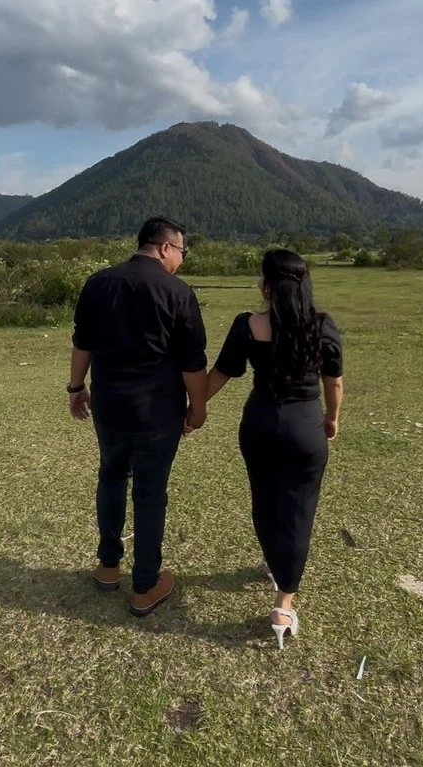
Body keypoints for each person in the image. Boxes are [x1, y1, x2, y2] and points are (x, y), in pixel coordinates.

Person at [68, 217, 208, 617]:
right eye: (182, 251)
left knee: (111, 476)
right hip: (158, 413)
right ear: (165, 248)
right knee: (150, 493)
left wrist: (76, 388)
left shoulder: (99, 283)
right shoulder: (178, 292)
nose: (182, 259)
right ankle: (145, 585)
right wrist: (198, 409)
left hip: (109, 406)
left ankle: (108, 566)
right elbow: (192, 362)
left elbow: (82, 342)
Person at [206, 249, 343, 649]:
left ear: (266, 284)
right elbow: (334, 382)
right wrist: (332, 418)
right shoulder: (322, 325)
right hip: (305, 427)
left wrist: (194, 409)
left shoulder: (247, 324)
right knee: (299, 510)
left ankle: (272, 561)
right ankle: (284, 604)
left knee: (264, 501)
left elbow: (221, 373)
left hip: (260, 425)